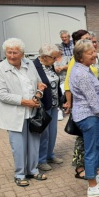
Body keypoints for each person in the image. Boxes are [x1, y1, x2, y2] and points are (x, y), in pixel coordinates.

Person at [0, 38, 47, 187]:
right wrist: (25, 101)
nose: (11, 55)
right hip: (14, 113)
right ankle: (20, 174)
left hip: (33, 111)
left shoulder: (29, 64)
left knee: (34, 143)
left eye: (15, 52)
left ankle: (33, 170)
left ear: (22, 53)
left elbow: (39, 83)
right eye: (8, 52)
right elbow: (2, 94)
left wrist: (37, 95)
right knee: (18, 146)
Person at [69, 39, 99, 197]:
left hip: (89, 115)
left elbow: (90, 93)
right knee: (92, 150)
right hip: (89, 116)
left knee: (96, 146)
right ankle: (93, 186)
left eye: (94, 52)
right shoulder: (82, 74)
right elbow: (93, 104)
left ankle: (95, 176)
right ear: (81, 57)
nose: (95, 55)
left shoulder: (83, 69)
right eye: (91, 53)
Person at [33, 44, 63, 172]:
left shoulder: (49, 65)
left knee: (53, 132)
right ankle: (41, 160)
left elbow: (55, 83)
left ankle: (50, 155)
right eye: (54, 57)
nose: (56, 60)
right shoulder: (34, 66)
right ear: (45, 57)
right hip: (43, 105)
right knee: (43, 134)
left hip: (54, 104)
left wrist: (62, 100)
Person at [54, 44, 68, 121]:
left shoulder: (66, 58)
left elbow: (70, 66)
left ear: (60, 51)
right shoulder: (53, 59)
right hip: (55, 81)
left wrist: (63, 67)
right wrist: (55, 68)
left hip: (64, 80)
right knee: (54, 91)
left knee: (62, 91)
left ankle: (60, 108)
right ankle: (58, 108)